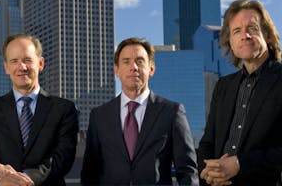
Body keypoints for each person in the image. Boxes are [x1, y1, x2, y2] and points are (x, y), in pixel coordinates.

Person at [197, 0, 282, 186]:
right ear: (230, 42)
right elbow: (207, 143)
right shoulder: (223, 86)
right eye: (236, 31)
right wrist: (207, 171)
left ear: (268, 36)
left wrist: (240, 163)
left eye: (252, 29)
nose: (244, 35)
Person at [80, 37, 199, 185]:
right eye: (126, 61)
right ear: (116, 70)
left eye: (140, 61)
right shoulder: (99, 116)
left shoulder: (172, 112)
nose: (133, 67)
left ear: (151, 69)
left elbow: (188, 171)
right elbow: (90, 172)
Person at [0, 33, 79, 186]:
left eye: (27, 60)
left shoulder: (64, 109)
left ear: (40, 63)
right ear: (6, 67)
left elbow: (62, 157)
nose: (21, 67)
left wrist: (20, 179)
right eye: (14, 61)